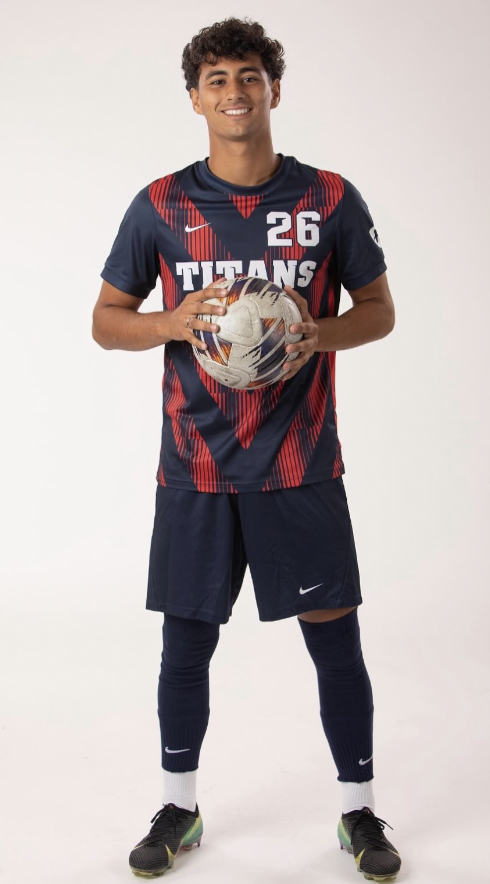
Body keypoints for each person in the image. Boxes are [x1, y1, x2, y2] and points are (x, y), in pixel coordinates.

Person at [92, 16, 401, 882]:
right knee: (186, 643)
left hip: (300, 462)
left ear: (275, 89)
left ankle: (359, 811)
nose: (235, 91)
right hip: (195, 464)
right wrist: (171, 321)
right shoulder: (161, 206)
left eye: (250, 76)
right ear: (195, 98)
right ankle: (179, 808)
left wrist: (318, 333)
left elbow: (380, 311)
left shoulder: (328, 199)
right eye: (218, 79)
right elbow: (106, 321)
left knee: (334, 639)